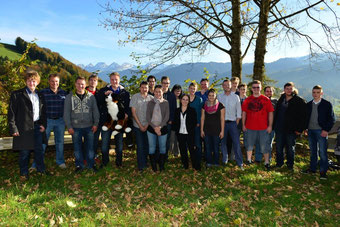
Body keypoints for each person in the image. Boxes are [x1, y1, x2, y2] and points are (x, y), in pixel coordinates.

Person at [8, 70, 48, 180]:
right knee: (24, 152)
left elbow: (44, 112)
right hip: (23, 128)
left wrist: (44, 124)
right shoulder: (17, 95)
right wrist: (13, 128)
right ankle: (24, 173)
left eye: (34, 81)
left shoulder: (40, 95)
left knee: (39, 151)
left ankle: (41, 170)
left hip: (37, 127)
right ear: (26, 81)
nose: (32, 83)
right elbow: (11, 113)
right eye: (29, 81)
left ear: (37, 82)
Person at [31, 73, 68, 170]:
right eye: (52, 81)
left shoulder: (64, 93)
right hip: (47, 121)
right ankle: (36, 164)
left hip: (60, 121)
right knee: (42, 142)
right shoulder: (43, 93)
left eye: (56, 81)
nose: (54, 83)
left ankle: (60, 161)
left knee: (60, 142)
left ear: (59, 82)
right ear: (49, 81)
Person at [64, 76, 99, 173]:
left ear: (85, 85)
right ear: (75, 84)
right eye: (78, 84)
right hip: (75, 127)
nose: (80, 86)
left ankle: (91, 165)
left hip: (89, 126)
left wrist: (96, 124)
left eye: (82, 84)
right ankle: (79, 165)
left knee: (90, 147)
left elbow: (95, 111)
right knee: (77, 148)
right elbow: (66, 113)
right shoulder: (69, 97)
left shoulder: (91, 97)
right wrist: (69, 126)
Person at [97, 72, 131, 167]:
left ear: (119, 80)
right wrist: (104, 95)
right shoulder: (104, 90)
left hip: (118, 122)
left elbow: (129, 106)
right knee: (104, 144)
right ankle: (105, 162)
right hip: (107, 121)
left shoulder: (124, 92)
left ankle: (119, 163)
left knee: (119, 144)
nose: (114, 81)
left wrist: (127, 114)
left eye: (116, 79)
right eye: (112, 79)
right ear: (110, 80)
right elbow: (98, 101)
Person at [301, 85, 335, 180]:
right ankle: (312, 169)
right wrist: (305, 128)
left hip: (321, 131)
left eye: (317, 92)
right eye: (314, 92)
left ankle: (323, 172)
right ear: (312, 93)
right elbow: (305, 118)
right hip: (310, 131)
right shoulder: (308, 105)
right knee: (313, 151)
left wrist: (326, 130)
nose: (315, 94)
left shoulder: (327, 104)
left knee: (323, 152)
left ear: (321, 93)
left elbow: (332, 119)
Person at [273, 82, 306, 170]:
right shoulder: (281, 99)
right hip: (279, 128)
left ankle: (290, 165)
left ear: (293, 89)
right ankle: (279, 163)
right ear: (284, 90)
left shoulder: (299, 100)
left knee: (290, 148)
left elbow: (303, 116)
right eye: (287, 88)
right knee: (279, 147)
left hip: (291, 129)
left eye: (290, 88)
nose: (289, 90)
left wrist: (300, 129)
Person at [242, 80, 274, 170]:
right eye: (254, 87)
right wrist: (243, 125)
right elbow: (244, 113)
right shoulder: (247, 100)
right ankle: (248, 160)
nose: (256, 89)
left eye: (258, 87)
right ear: (251, 89)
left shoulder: (266, 100)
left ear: (260, 88)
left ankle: (267, 162)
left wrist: (270, 126)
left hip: (263, 127)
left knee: (265, 145)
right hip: (250, 126)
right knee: (249, 144)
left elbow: (270, 113)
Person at [218, 80, 243, 169]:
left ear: (231, 86)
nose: (226, 86)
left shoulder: (236, 97)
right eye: (224, 85)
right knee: (223, 142)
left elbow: (239, 111)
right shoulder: (219, 97)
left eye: (228, 85)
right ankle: (225, 159)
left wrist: (237, 121)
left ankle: (239, 162)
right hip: (223, 123)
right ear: (222, 86)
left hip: (233, 123)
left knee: (236, 143)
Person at [130, 81, 153, 171]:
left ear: (148, 88)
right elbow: (133, 112)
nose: (144, 89)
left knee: (147, 145)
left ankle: (146, 162)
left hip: (148, 125)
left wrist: (146, 125)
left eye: (146, 87)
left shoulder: (151, 98)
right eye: (142, 87)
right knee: (140, 145)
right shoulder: (135, 97)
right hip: (137, 125)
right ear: (140, 88)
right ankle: (141, 165)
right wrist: (140, 125)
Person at [146, 85, 170, 172]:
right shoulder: (150, 102)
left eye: (159, 91)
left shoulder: (166, 103)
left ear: (162, 92)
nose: (158, 93)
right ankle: (154, 166)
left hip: (162, 128)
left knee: (162, 147)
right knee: (152, 147)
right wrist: (155, 128)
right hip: (151, 128)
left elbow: (167, 117)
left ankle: (161, 165)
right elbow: (148, 117)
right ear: (153, 92)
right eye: (156, 91)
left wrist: (159, 127)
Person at [173, 94, 198, 170]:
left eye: (187, 99)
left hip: (189, 133)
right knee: (183, 150)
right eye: (183, 99)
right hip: (180, 133)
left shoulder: (192, 110)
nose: (185, 101)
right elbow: (175, 122)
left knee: (192, 150)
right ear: (180, 100)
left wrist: (190, 129)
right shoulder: (177, 110)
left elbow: (194, 122)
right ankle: (185, 165)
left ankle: (195, 166)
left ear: (189, 101)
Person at [201, 89, 225, 167]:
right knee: (207, 147)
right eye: (209, 95)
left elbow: (222, 119)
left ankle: (216, 162)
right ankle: (209, 162)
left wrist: (222, 131)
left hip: (217, 130)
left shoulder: (220, 105)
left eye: (213, 95)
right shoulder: (204, 105)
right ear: (207, 96)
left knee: (216, 147)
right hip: (207, 130)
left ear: (215, 96)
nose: (211, 97)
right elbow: (202, 118)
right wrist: (201, 130)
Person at [254, 86, 278, 163]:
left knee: (268, 144)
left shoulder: (276, 101)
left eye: (270, 91)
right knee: (258, 143)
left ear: (273, 92)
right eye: (267, 91)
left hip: (271, 126)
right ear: (264, 92)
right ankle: (258, 159)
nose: (269, 93)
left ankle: (268, 160)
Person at [85, 74, 101, 163]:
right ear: (88, 81)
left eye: (95, 80)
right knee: (87, 140)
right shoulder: (83, 92)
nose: (93, 82)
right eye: (91, 80)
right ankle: (86, 157)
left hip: (96, 121)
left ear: (97, 82)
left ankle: (94, 156)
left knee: (95, 140)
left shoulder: (99, 93)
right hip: (85, 121)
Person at [188, 82, 203, 169]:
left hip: (197, 124)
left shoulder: (199, 99)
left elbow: (201, 113)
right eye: (191, 88)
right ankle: (192, 159)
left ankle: (198, 160)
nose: (192, 90)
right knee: (190, 143)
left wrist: (199, 122)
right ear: (188, 89)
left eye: (194, 89)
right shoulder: (185, 98)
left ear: (196, 89)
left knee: (197, 143)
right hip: (187, 125)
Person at [161, 76, 176, 159]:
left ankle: (165, 156)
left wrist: (171, 120)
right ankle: (159, 155)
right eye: (164, 83)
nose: (165, 84)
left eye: (167, 83)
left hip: (168, 122)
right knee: (158, 139)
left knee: (167, 140)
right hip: (158, 122)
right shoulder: (158, 94)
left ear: (169, 84)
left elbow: (174, 109)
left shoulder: (172, 96)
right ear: (161, 83)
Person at [169, 84, 182, 157]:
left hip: (180, 121)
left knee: (178, 138)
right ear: (173, 91)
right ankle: (171, 152)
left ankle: (177, 152)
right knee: (172, 137)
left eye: (179, 90)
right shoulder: (170, 99)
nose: (178, 92)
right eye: (176, 90)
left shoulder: (182, 99)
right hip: (172, 121)